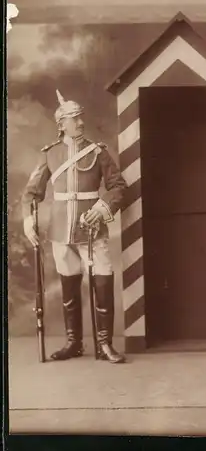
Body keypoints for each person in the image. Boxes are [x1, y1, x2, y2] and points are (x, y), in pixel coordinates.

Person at [22, 90, 128, 364]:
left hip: (93, 230)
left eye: (81, 117)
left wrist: (102, 209)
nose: (80, 123)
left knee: (103, 283)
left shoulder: (98, 152)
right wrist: (28, 218)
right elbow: (32, 192)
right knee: (69, 288)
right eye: (74, 118)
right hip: (60, 231)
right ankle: (74, 343)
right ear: (61, 125)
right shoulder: (49, 154)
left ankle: (104, 344)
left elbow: (117, 187)